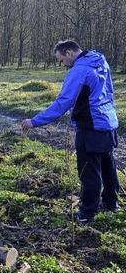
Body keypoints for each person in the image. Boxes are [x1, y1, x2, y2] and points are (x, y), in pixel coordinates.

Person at [21, 40, 119, 223]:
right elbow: (110, 91)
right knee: (108, 166)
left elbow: (62, 103)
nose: (62, 64)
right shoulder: (100, 61)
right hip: (108, 122)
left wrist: (34, 121)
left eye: (60, 60)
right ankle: (111, 203)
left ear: (69, 53)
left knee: (88, 171)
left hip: (90, 126)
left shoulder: (78, 71)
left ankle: (87, 213)